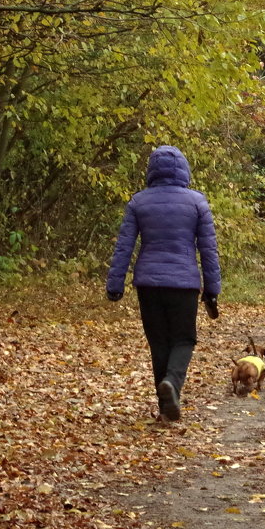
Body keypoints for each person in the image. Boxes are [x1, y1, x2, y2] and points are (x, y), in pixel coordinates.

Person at [106, 145, 221, 422]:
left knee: (158, 342)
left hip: (148, 284)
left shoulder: (138, 202)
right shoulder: (196, 202)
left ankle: (165, 406)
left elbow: (124, 246)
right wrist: (212, 289)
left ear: (151, 171)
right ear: (184, 169)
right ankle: (172, 384)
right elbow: (208, 249)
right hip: (184, 284)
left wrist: (115, 283)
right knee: (184, 339)